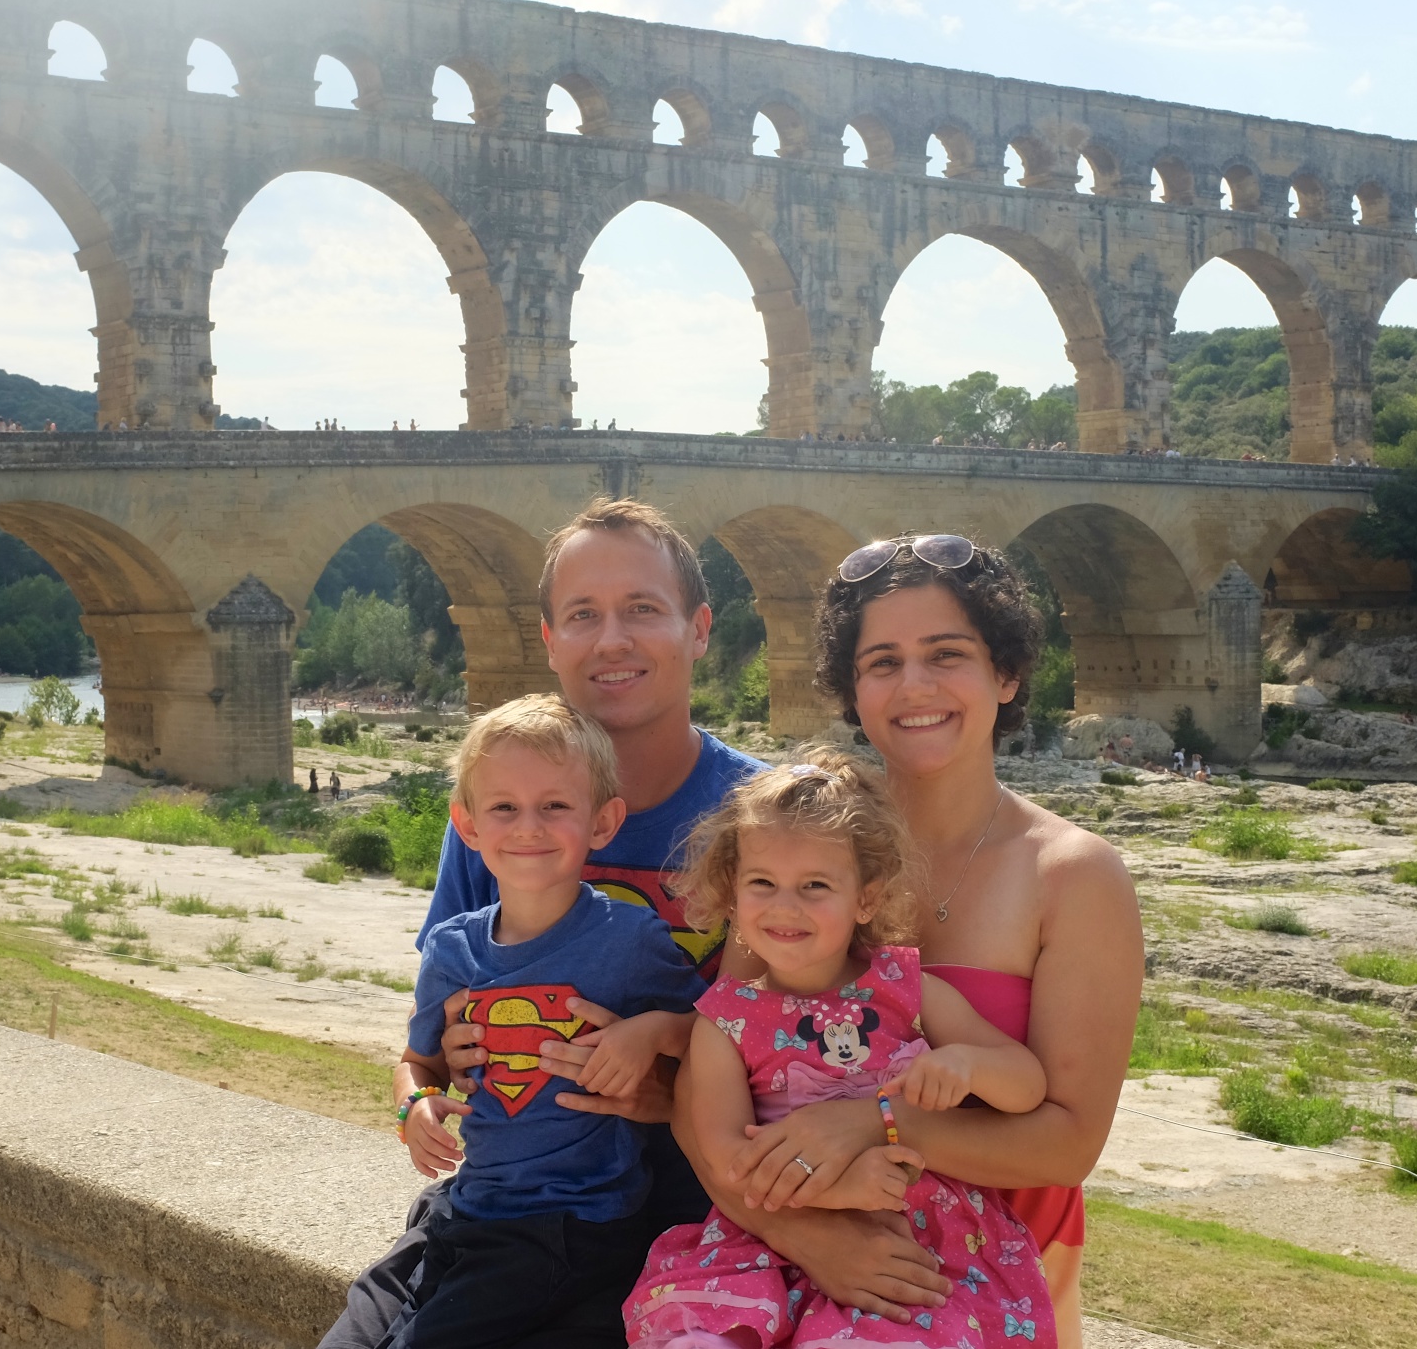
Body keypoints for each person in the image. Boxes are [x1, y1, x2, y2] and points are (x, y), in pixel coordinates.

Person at [669, 535, 1140, 1345]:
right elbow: (706, 1089)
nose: (913, 685)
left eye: (945, 654)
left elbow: (1064, 1144)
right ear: (852, 689)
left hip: (999, 1273)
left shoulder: (1073, 875)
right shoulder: (796, 850)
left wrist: (876, 1121)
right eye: (880, 661)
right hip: (794, 1254)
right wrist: (809, 1238)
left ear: (1006, 672)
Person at [320, 499, 767, 1349]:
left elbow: (803, 1053)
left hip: (681, 1213)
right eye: (582, 615)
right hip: (490, 1204)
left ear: (700, 627)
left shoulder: (764, 816)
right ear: (548, 639)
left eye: (642, 608)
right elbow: (432, 1038)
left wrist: (663, 1084)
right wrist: (424, 1085)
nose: (611, 639)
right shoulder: (497, 814)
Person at [628, 757, 1052, 1348]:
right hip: (773, 1238)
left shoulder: (909, 987)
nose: (785, 906)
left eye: (816, 886)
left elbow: (1028, 1083)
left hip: (917, 1242)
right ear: (731, 895)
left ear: (866, 899)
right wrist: (837, 1191)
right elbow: (727, 1157)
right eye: (762, 883)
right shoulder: (724, 1019)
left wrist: (968, 1064)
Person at [390, 694, 707, 1349]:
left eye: (555, 806)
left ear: (602, 820)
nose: (527, 826)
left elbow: (715, 1031)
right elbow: (417, 1062)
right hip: (470, 1206)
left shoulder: (630, 938)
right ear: (468, 824)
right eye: (503, 806)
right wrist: (413, 1105)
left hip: (578, 1221)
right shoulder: (453, 949)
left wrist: (649, 1032)